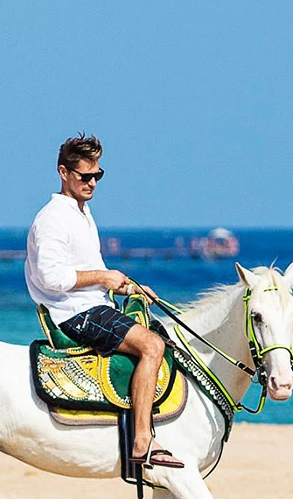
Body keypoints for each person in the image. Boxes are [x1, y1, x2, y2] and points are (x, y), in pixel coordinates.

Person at [25, 134, 181, 470]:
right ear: (63, 172)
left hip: (94, 305)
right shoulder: (52, 219)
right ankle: (143, 440)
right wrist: (103, 276)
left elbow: (92, 271)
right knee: (152, 346)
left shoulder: (83, 213)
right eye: (85, 176)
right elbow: (51, 277)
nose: (92, 183)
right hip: (75, 314)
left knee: (164, 335)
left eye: (98, 175)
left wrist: (129, 288)